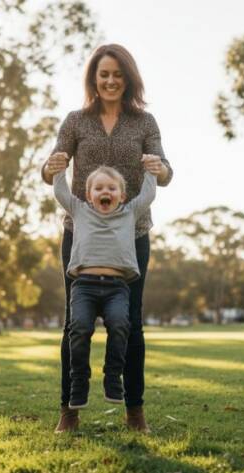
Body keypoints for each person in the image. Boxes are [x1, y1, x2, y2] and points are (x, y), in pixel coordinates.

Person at [41, 44, 173, 433]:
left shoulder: (144, 123)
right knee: (74, 324)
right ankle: (69, 410)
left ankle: (135, 411)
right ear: (94, 79)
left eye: (118, 74)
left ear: (128, 78)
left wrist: (159, 168)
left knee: (130, 322)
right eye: (104, 74)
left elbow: (165, 170)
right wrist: (48, 166)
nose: (111, 81)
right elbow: (52, 167)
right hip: (80, 236)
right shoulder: (76, 121)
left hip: (132, 236)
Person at [52, 164, 157, 411]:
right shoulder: (79, 210)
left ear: (121, 195)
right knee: (78, 328)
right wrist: (58, 169)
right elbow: (61, 193)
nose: (104, 191)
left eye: (111, 188)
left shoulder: (130, 212)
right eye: (98, 188)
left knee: (121, 324)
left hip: (117, 288)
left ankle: (112, 376)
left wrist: (152, 171)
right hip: (84, 287)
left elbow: (148, 195)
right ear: (89, 195)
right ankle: (79, 381)